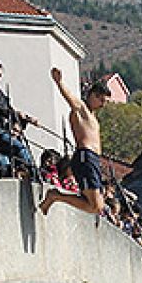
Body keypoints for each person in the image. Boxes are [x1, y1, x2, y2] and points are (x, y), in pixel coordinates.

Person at [40, 70, 110, 216]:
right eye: (102, 100)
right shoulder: (81, 109)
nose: (103, 105)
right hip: (85, 156)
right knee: (96, 207)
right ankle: (55, 196)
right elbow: (70, 98)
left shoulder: (93, 116)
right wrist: (59, 82)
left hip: (93, 159)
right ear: (93, 96)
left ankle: (56, 196)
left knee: (98, 206)